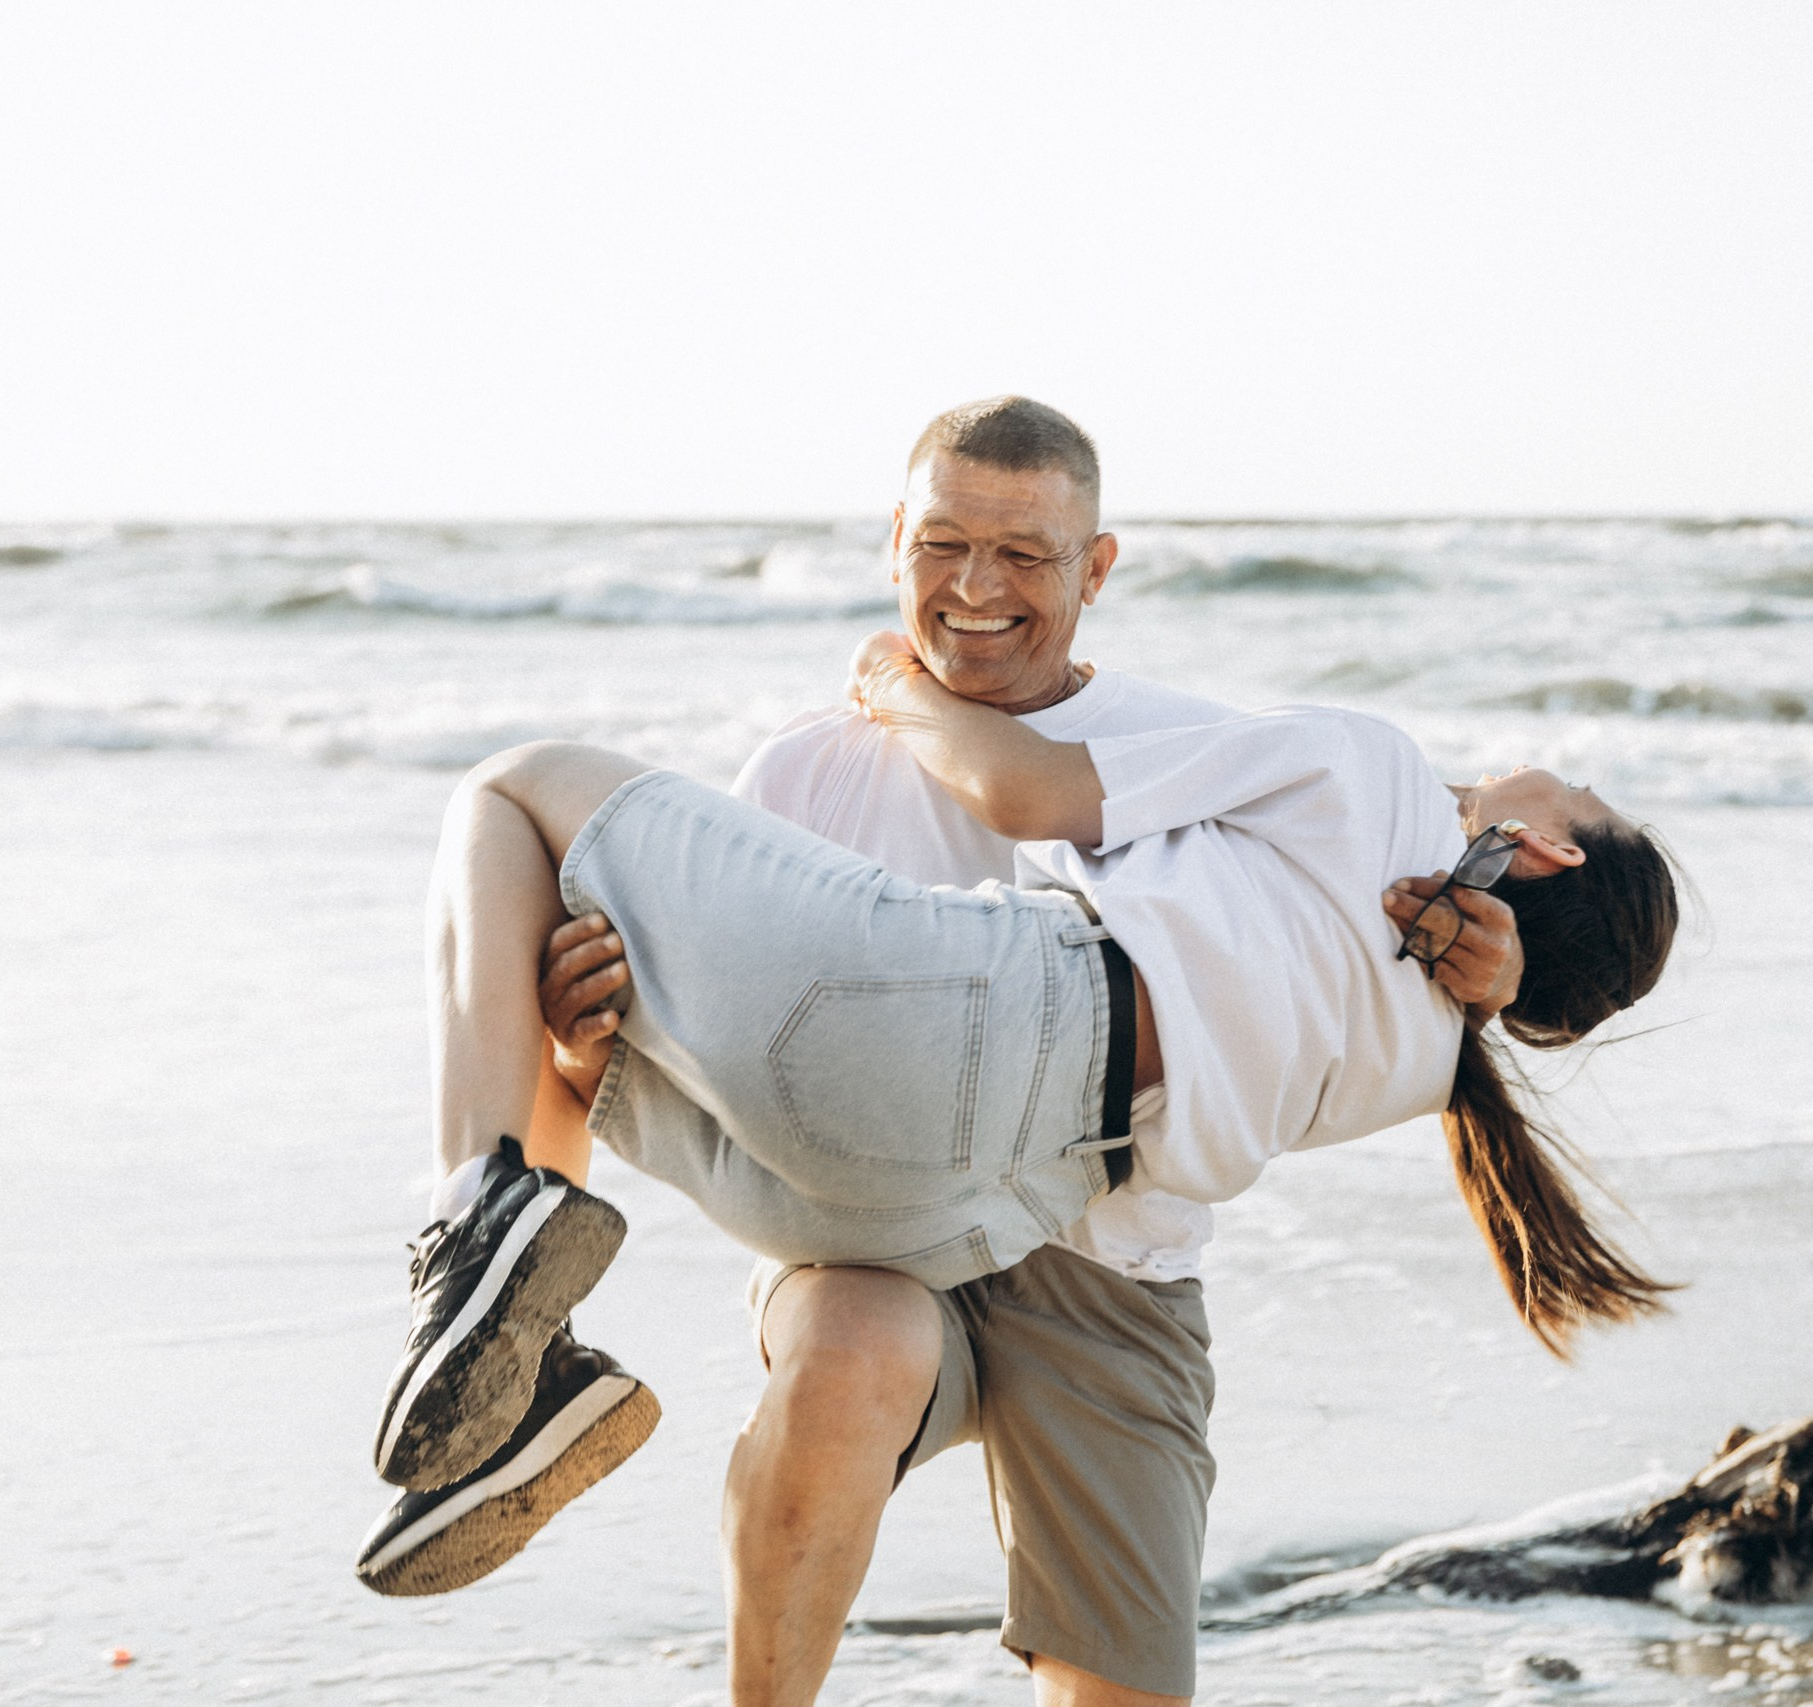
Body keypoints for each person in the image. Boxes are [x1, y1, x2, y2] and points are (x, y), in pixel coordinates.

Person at [356, 399, 1676, 1707]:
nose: (975, 586)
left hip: (1108, 1249)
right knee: (840, 1362)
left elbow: (1272, 921)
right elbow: (729, 1069)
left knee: (517, 797)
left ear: (1095, 571)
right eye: (943, 545)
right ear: (893, 545)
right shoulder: (804, 777)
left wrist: (1491, 975)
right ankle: (537, 1373)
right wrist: (589, 1044)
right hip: (874, 1228)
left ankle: (491, 1281)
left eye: (1025, 556)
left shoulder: (1194, 744)